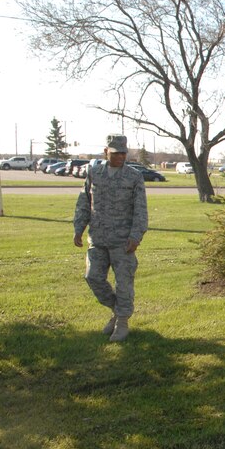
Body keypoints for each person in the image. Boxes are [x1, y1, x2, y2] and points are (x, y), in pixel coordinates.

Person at [73, 134, 148, 341]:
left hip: (123, 241)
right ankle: (117, 311)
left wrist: (136, 235)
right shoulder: (94, 173)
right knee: (93, 277)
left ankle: (122, 322)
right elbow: (84, 202)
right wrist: (79, 227)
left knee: (124, 283)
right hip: (97, 238)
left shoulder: (133, 177)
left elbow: (140, 209)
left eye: (123, 153)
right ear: (106, 152)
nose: (120, 157)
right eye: (115, 153)